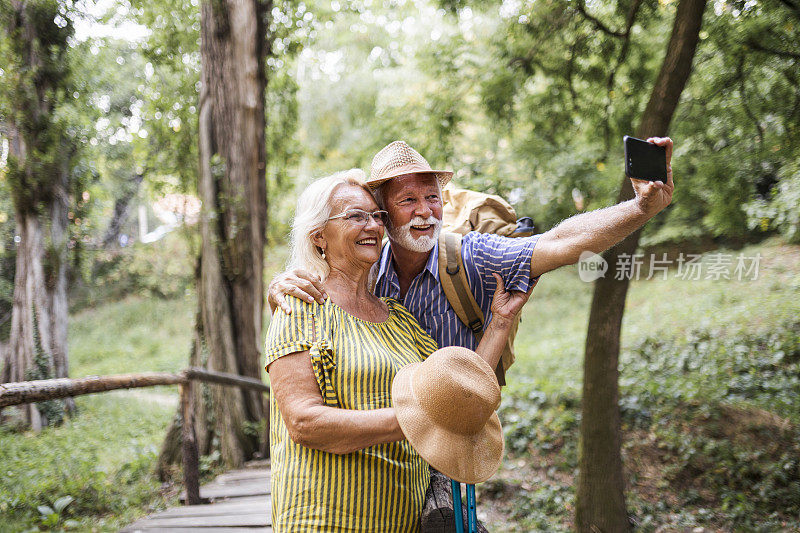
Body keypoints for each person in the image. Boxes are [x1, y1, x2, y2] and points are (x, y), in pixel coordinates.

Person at [264, 169, 531, 532]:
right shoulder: (300, 306)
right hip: (325, 520)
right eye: (356, 216)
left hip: (402, 521)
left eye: (377, 216)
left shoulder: (399, 319)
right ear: (318, 237)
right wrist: (418, 419)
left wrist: (499, 323)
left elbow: (459, 393)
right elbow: (304, 423)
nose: (372, 225)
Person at [268, 139, 675, 369]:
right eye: (408, 200)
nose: (426, 211)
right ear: (382, 213)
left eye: (433, 197)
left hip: (456, 445)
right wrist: (280, 288)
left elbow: (559, 243)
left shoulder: (472, 257)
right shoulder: (368, 269)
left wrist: (639, 208)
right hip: (383, 450)